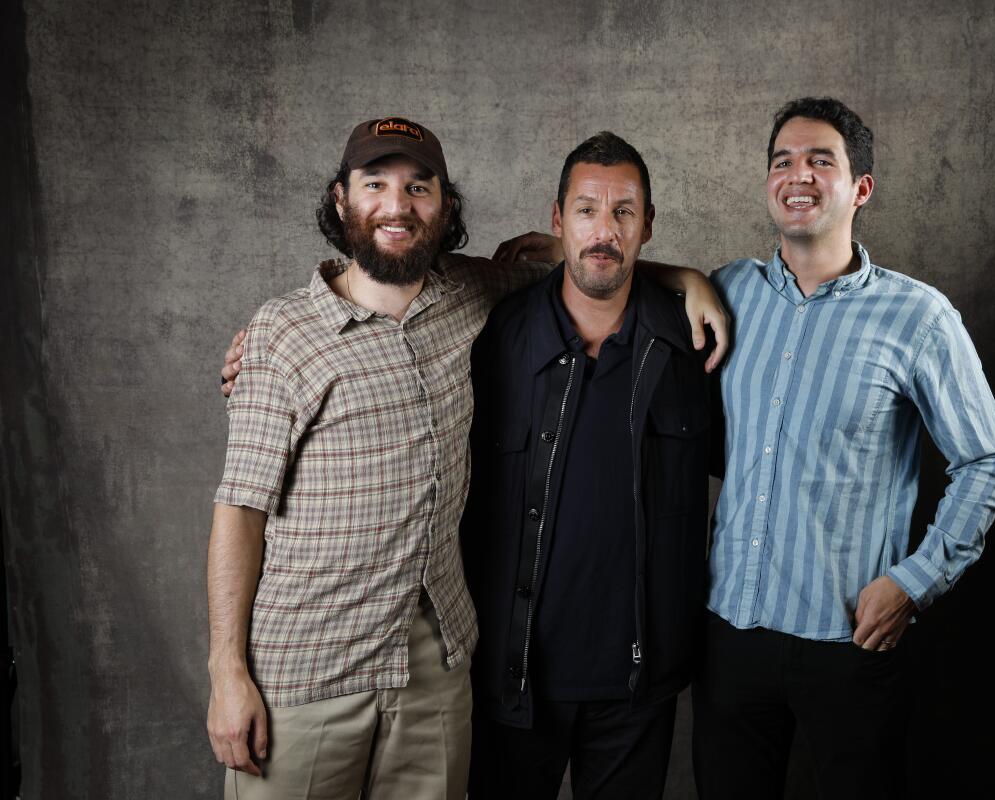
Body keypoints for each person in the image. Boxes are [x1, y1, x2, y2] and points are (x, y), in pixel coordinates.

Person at [207, 117, 726, 799]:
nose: (397, 206)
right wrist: (226, 672)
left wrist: (689, 279)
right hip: (307, 671)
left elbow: (596, 263)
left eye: (418, 187)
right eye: (376, 185)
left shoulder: (471, 296)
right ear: (341, 199)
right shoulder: (284, 332)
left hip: (435, 670)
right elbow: (239, 510)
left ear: (445, 207)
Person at [690, 97, 995, 799]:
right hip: (729, 637)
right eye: (783, 161)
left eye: (820, 160)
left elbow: (988, 463)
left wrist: (915, 581)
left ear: (860, 187)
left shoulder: (918, 317)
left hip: (849, 644)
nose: (797, 175)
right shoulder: (727, 290)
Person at [461, 132, 711, 799]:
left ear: (648, 226)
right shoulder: (493, 339)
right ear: (556, 219)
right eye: (587, 211)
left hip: (637, 689)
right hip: (511, 684)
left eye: (624, 212)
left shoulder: (693, 346)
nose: (605, 231)